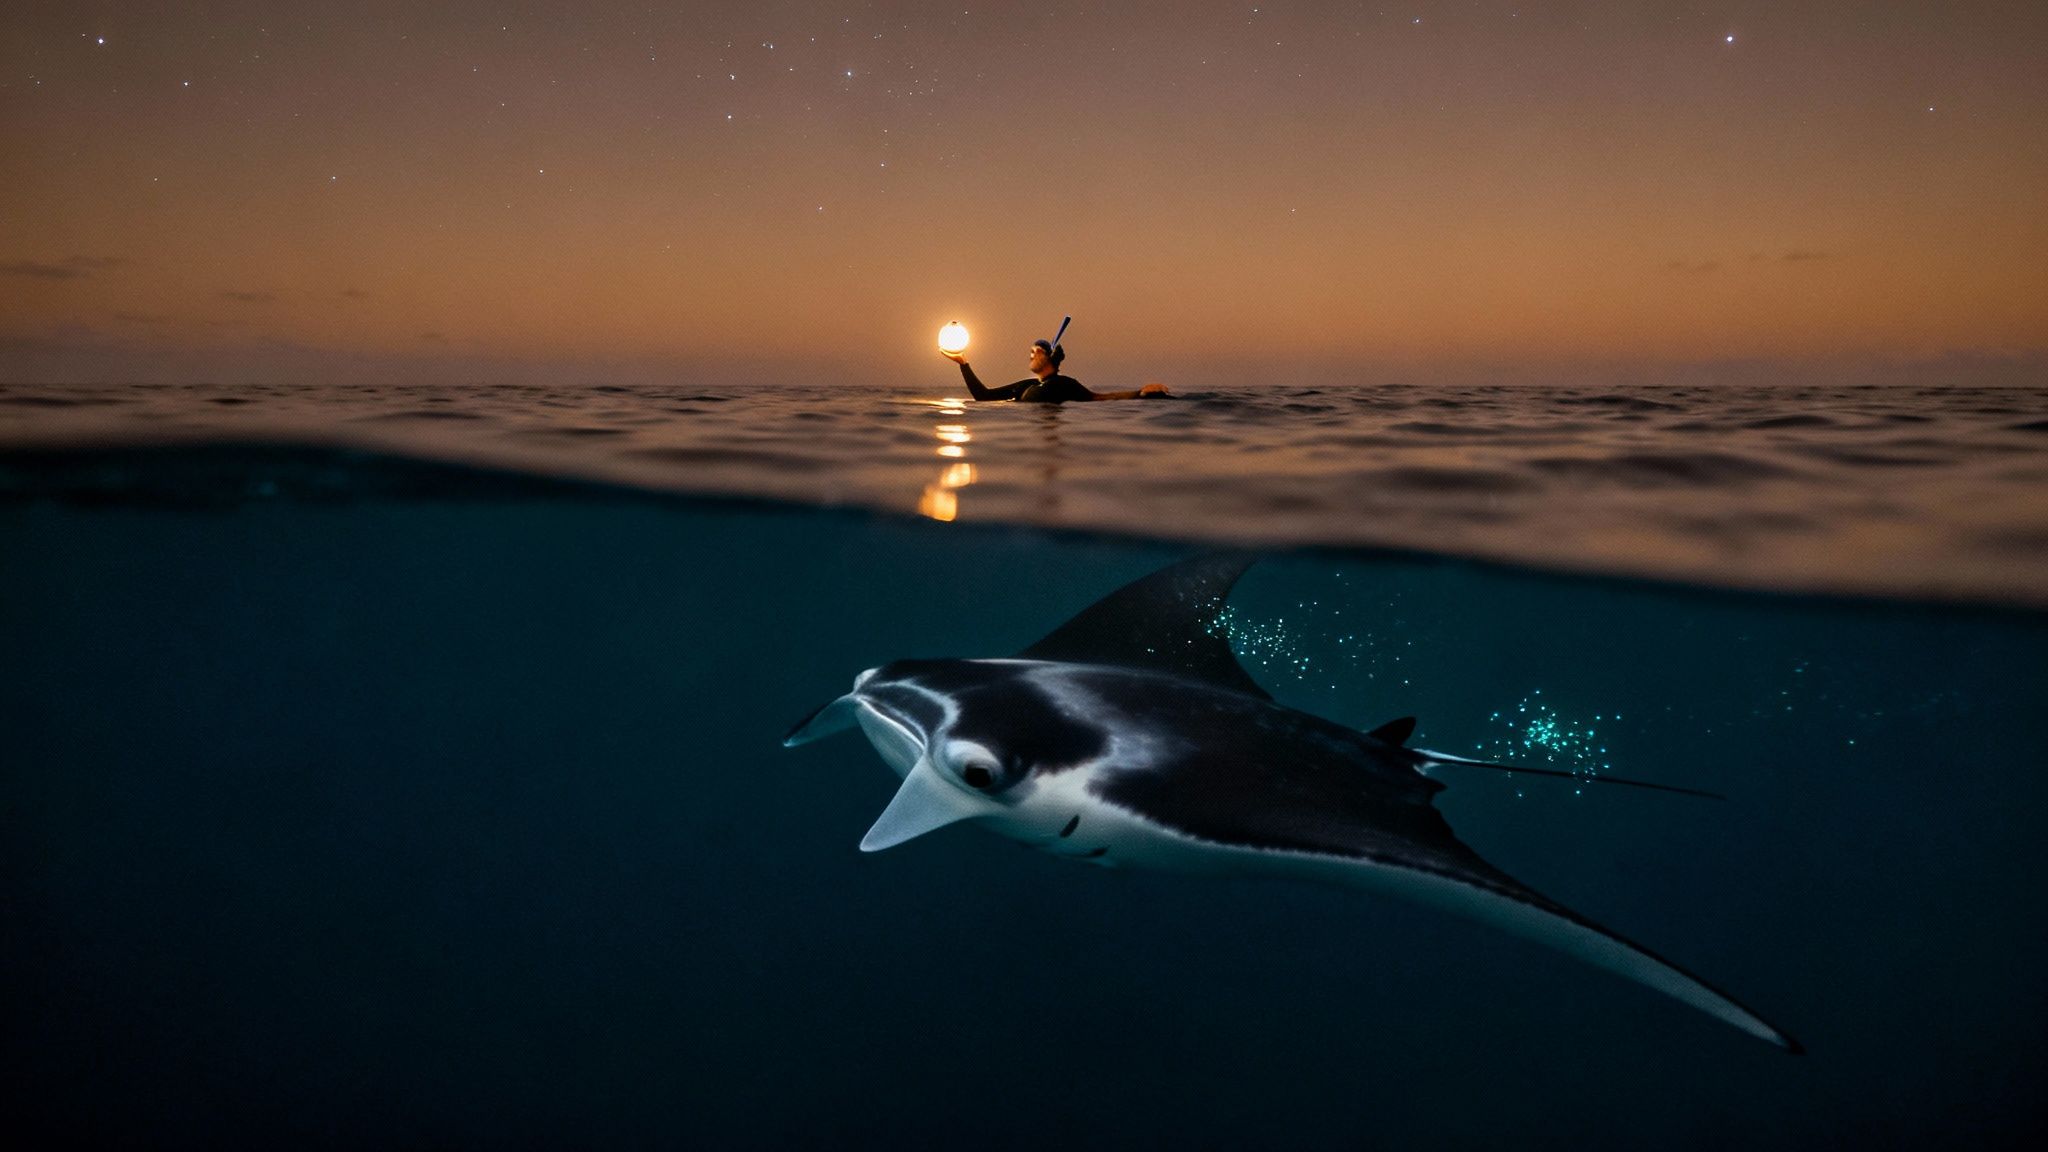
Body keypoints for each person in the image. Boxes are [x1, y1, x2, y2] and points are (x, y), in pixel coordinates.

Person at [942, 338, 1169, 402]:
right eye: (1030, 352)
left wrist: (1140, 393)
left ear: (1049, 357)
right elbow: (983, 396)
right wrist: (964, 364)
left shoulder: (1065, 385)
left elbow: (1099, 397)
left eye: (1036, 351)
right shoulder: (1026, 386)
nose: (1031, 355)